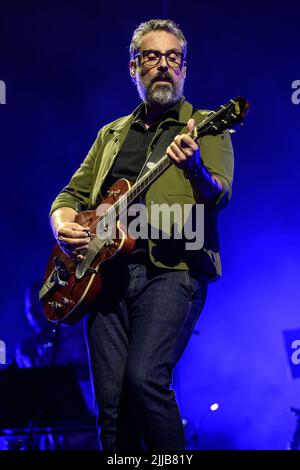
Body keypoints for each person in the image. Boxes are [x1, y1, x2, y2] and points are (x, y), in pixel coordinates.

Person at [49, 19, 234, 450]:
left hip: (173, 271)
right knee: (112, 411)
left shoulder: (207, 125)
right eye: (152, 57)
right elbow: (70, 194)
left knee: (145, 380)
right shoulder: (111, 134)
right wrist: (63, 227)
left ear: (185, 68)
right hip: (103, 278)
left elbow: (218, 194)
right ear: (134, 68)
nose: (164, 66)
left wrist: (194, 169)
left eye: (174, 58)